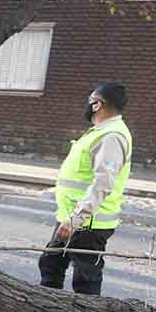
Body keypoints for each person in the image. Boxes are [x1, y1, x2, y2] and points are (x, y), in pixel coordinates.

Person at [39, 82, 132, 296]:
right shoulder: (100, 132)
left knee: (86, 279)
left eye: (90, 100)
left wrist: (76, 219)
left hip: (88, 223)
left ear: (97, 105)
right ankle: (47, 311)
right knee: (51, 264)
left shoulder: (111, 136)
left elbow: (103, 183)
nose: (87, 105)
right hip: (73, 217)